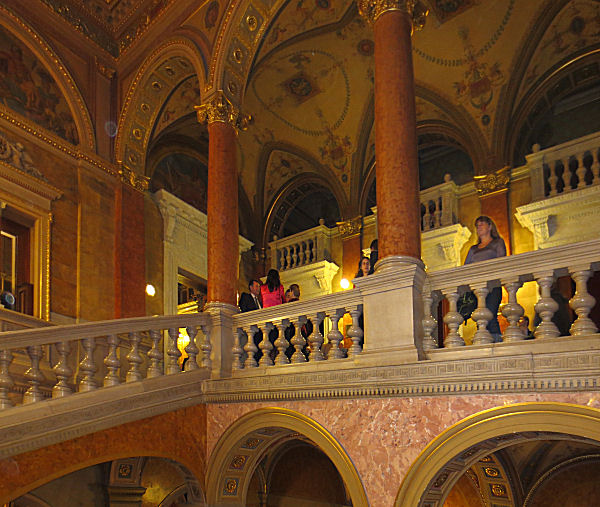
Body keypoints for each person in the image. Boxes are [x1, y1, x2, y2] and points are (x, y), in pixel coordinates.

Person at [463, 215, 507, 342]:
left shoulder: (497, 242)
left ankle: (496, 343)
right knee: (480, 317)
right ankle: (484, 342)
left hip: (493, 285)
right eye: (477, 225)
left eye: (482, 224)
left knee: (491, 315)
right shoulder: (473, 249)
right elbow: (466, 267)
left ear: (490, 226)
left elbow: (501, 261)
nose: (479, 227)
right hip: (477, 287)